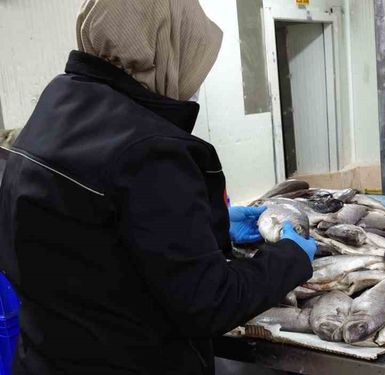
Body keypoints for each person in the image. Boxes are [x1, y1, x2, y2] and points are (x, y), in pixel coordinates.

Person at [0, 1, 316, 374]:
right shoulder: (149, 148)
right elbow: (210, 302)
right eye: (194, 62)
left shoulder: (56, 106)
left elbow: (83, 231)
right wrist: (292, 258)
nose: (193, 82)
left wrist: (201, 224)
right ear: (166, 50)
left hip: (45, 360)